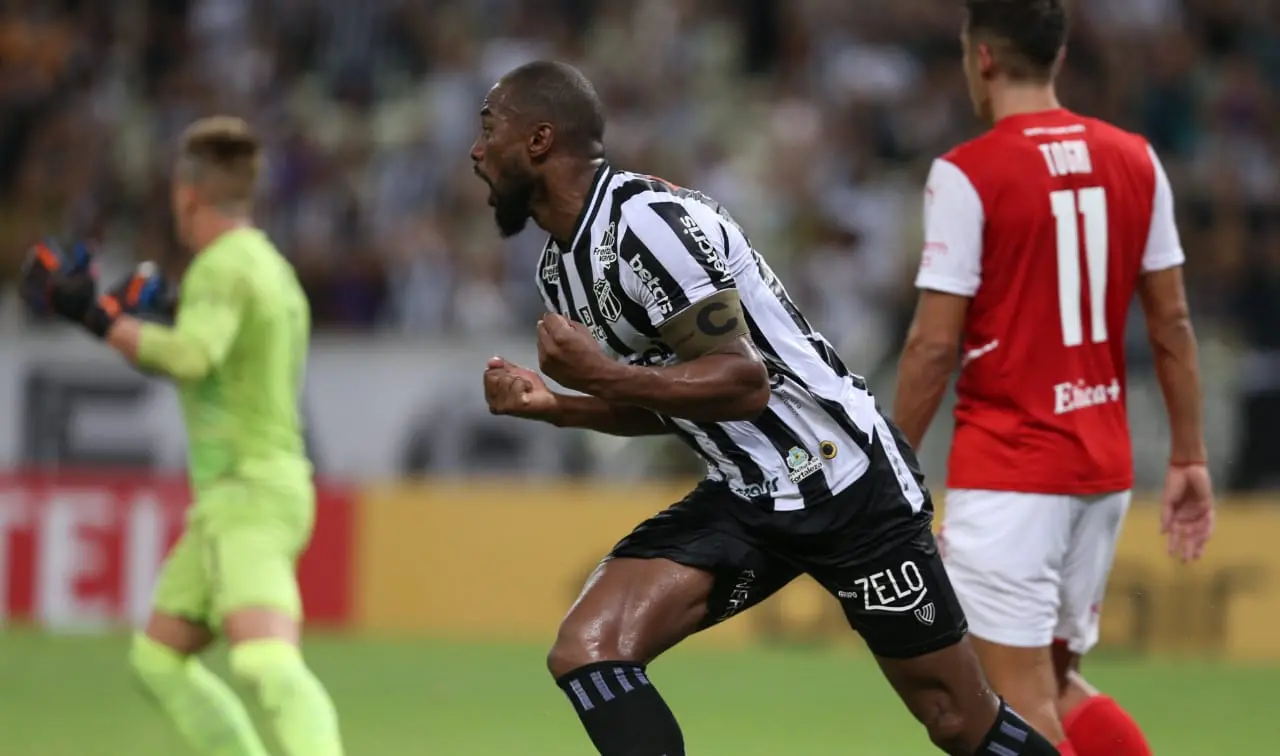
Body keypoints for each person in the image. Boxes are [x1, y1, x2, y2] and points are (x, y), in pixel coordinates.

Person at [476, 60, 1062, 756]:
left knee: (957, 720)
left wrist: (600, 374)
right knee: (588, 648)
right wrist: (557, 405)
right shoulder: (561, 270)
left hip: (842, 481)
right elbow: (671, 398)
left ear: (539, 140)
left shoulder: (648, 226)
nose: (477, 151)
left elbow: (741, 381)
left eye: (489, 129)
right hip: (747, 493)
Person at [892, 2, 1214, 755]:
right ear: (1058, 57)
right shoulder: (1136, 158)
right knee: (1059, 683)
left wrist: (889, 466)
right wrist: (1189, 455)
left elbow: (933, 347)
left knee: (1009, 702)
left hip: (1011, 473)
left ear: (981, 59)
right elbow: (1172, 323)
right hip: (1101, 469)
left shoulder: (967, 173)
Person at [20, 116, 344, 756]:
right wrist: (167, 310)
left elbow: (193, 356)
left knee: (265, 663)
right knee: (158, 658)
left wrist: (93, 316)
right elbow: (225, 352)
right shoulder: (269, 267)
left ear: (187, 195)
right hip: (241, 497)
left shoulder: (219, 267)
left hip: (247, 494)